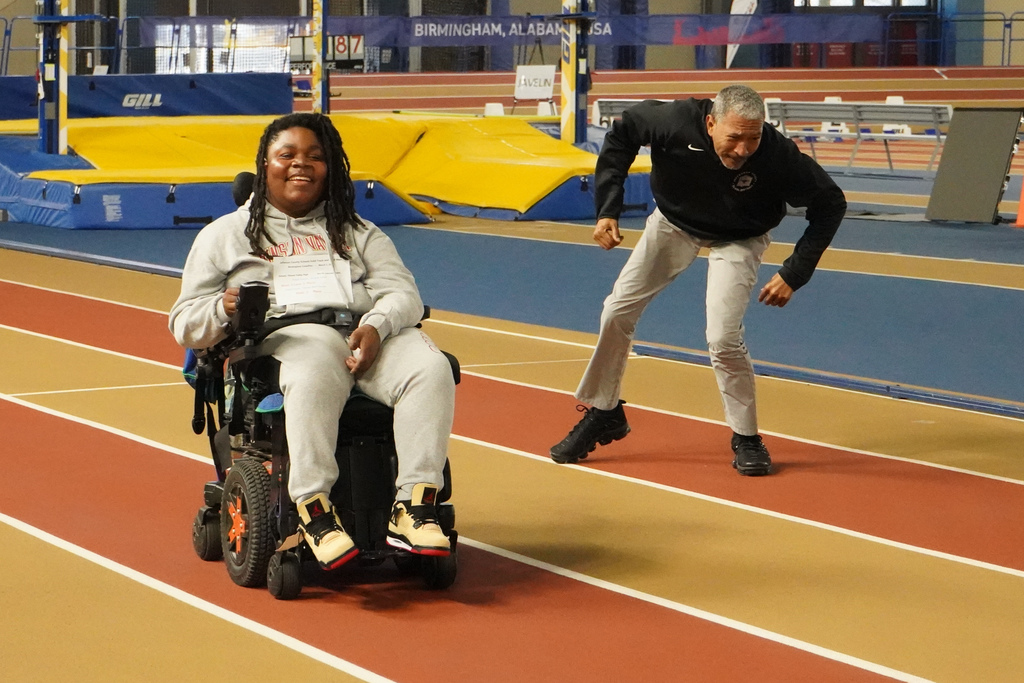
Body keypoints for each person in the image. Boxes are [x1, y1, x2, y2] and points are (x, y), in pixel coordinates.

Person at [169, 112, 455, 569]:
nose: (301, 164)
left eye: (315, 157)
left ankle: (415, 506)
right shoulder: (224, 236)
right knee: (318, 354)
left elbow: (403, 293)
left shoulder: (356, 231)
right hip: (286, 339)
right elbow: (184, 322)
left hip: (364, 334)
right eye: (287, 155)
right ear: (265, 164)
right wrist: (223, 309)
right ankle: (313, 510)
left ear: (331, 169)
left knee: (430, 364)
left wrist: (377, 328)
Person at [550, 85, 846, 476]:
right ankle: (605, 410)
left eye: (752, 138)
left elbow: (830, 204)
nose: (743, 149)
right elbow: (622, 136)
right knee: (616, 311)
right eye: (734, 137)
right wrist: (608, 208)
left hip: (741, 236)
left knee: (722, 338)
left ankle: (747, 436)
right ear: (710, 123)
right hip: (674, 225)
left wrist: (794, 272)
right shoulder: (672, 121)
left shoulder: (777, 155)